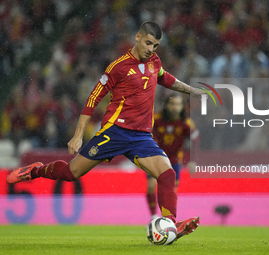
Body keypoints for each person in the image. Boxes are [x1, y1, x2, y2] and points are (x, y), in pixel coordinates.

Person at [6, 21, 203, 240]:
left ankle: (170, 225)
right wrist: (78, 134)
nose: (151, 49)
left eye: (155, 46)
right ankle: (34, 171)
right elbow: (93, 98)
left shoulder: (155, 62)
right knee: (72, 173)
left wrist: (193, 91)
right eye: (148, 43)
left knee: (167, 174)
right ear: (137, 37)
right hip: (114, 132)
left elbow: (166, 79)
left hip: (141, 136)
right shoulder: (117, 67)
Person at [146, 93, 199, 220]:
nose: (175, 107)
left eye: (178, 104)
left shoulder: (186, 123)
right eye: (172, 104)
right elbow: (144, 134)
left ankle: (167, 219)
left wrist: (193, 160)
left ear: (182, 107)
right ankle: (153, 216)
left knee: (171, 191)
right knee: (152, 185)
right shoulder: (156, 119)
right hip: (155, 159)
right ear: (166, 105)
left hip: (174, 161)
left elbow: (195, 139)